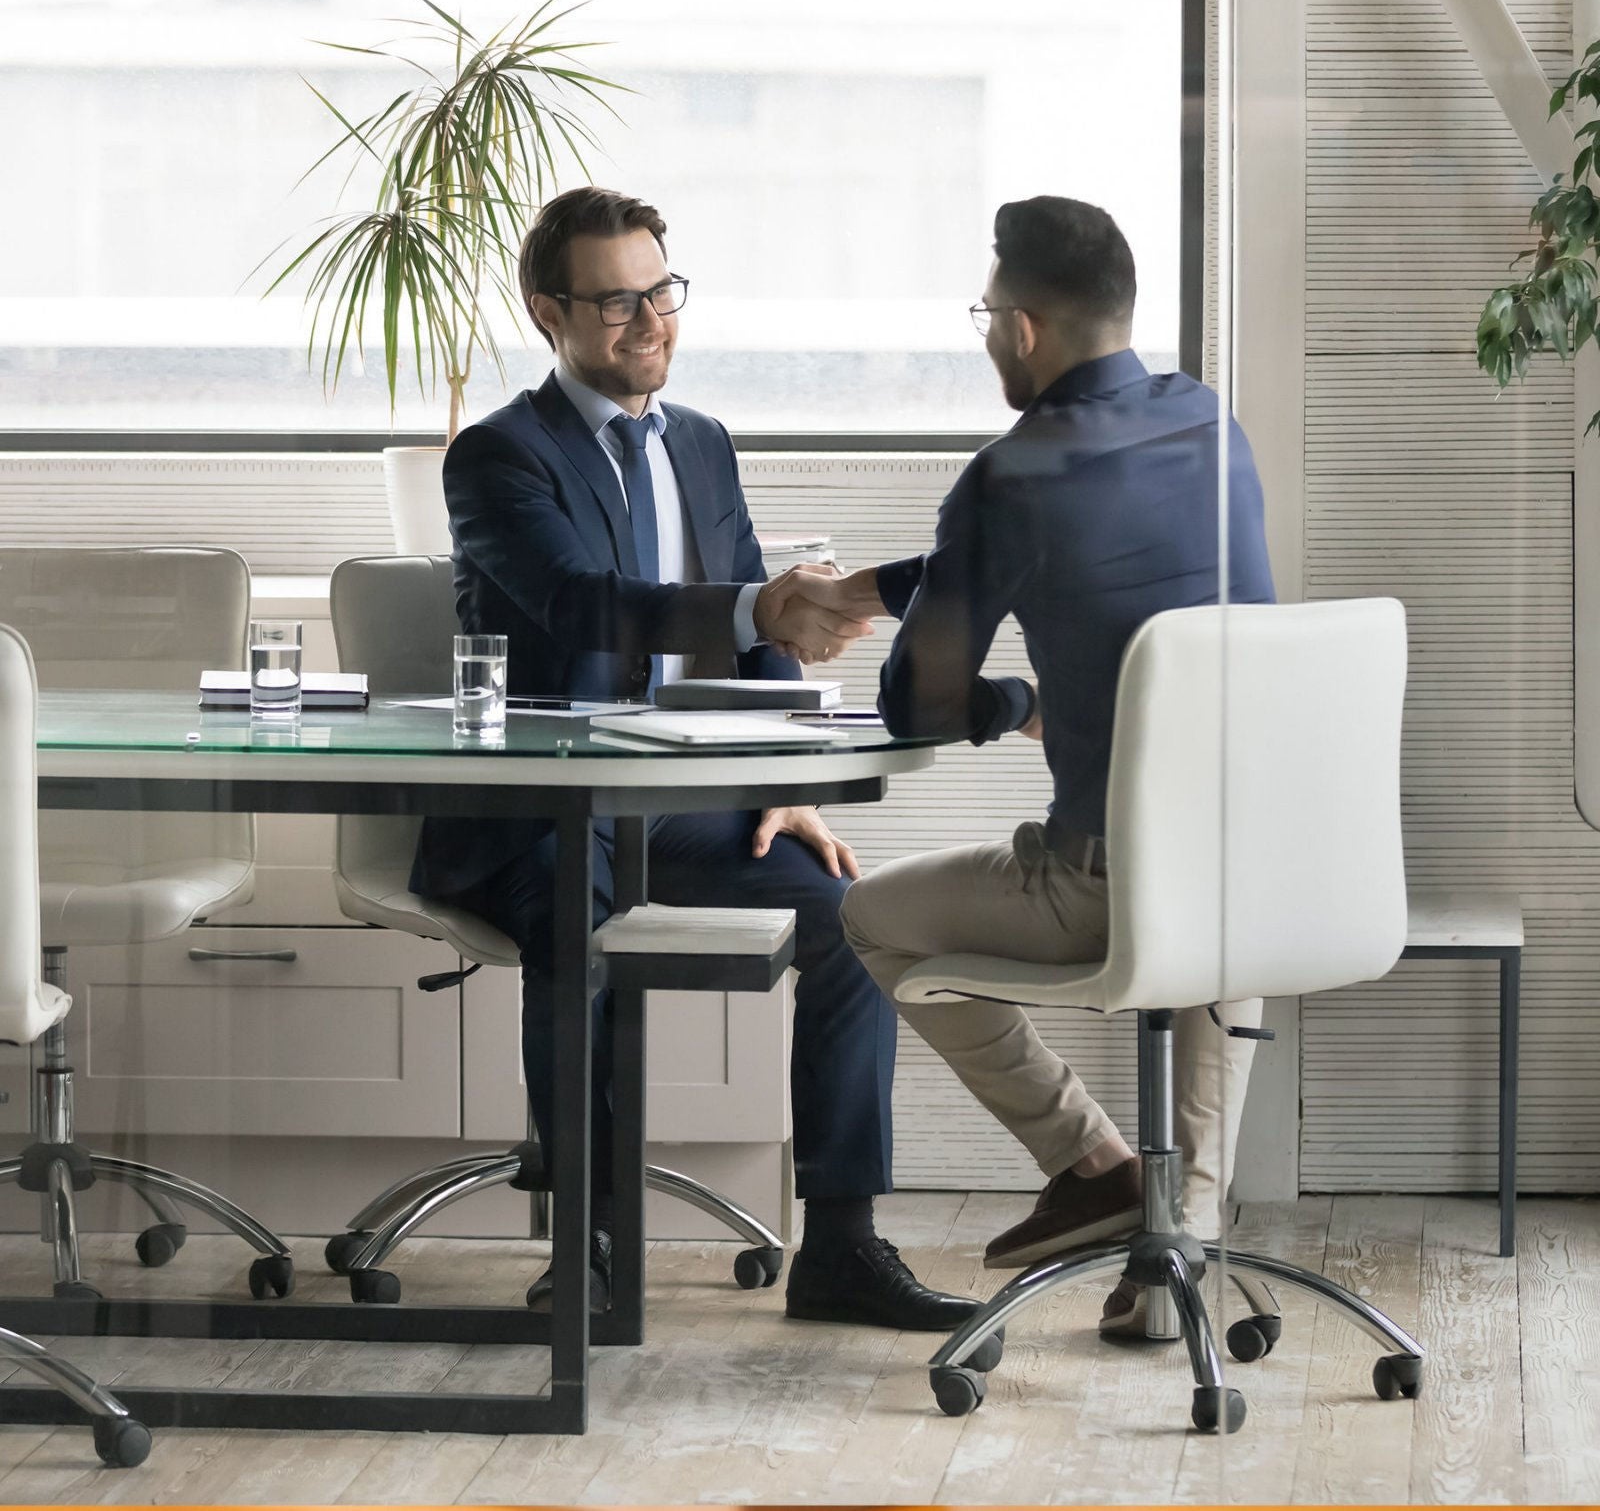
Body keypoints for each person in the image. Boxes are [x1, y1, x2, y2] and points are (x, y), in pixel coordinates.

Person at [410, 185, 979, 1333]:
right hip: (540, 811)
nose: (648, 322)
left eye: (661, 292)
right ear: (548, 312)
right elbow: (585, 605)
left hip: (678, 808)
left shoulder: (704, 446)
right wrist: (761, 607)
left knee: (850, 919)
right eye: (614, 302)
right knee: (580, 911)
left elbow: (756, 641)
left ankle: (842, 1247)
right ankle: (590, 1242)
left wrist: (789, 783)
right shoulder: (495, 457)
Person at [793, 195, 1276, 1335]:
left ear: (1020, 328)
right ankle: (1181, 1249)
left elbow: (918, 700)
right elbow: (1087, 540)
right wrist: (879, 584)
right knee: (1216, 894)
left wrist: (1024, 708)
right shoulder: (1210, 427)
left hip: (1105, 885)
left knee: (871, 915)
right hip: (1267, 873)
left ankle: (1093, 1162)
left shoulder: (1013, 473)